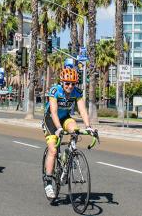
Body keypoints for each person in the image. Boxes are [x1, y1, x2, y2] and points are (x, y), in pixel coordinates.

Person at [42, 63, 93, 199]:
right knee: (53, 150)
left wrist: (88, 126)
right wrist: (59, 128)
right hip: (51, 120)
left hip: (65, 117)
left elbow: (82, 110)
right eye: (67, 84)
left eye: (73, 84)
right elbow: (53, 112)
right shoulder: (55, 91)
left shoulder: (77, 92)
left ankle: (68, 154)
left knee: (75, 130)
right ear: (62, 82)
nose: (70, 86)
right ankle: (48, 182)